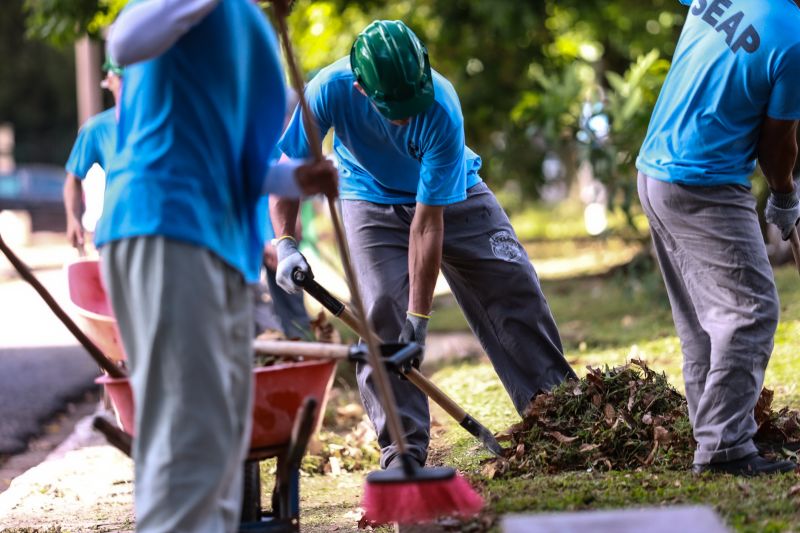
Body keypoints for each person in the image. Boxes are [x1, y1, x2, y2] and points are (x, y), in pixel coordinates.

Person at [272, 20, 575, 470]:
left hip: (452, 191)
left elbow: (427, 224)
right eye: (395, 107)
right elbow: (290, 169)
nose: (407, 115)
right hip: (368, 195)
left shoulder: (442, 106)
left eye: (413, 101)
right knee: (381, 318)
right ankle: (403, 451)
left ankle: (558, 409)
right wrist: (285, 243)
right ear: (360, 88)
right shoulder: (329, 91)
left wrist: (421, 320)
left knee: (512, 282)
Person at [101, 1, 337, 532]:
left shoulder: (253, 30)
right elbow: (125, 41)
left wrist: (299, 179)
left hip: (221, 246)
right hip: (166, 226)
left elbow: (246, 164)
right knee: (192, 445)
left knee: (221, 444)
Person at [636, 0, 800, 476]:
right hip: (703, 182)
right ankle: (725, 446)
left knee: (706, 322)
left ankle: (713, 434)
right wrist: (786, 195)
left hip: (655, 173)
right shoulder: (793, 41)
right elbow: (777, 142)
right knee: (751, 311)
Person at [63, 59, 122, 253]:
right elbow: (73, 179)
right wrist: (72, 219)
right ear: (109, 81)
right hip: (114, 234)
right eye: (120, 77)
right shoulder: (96, 129)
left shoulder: (158, 123)